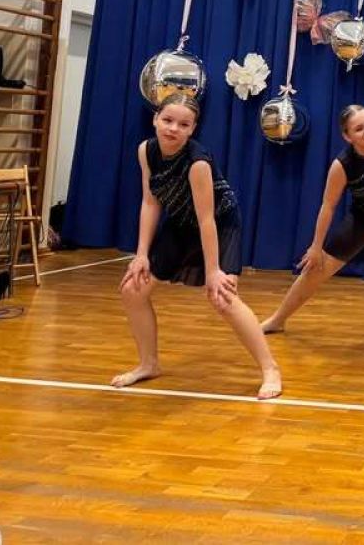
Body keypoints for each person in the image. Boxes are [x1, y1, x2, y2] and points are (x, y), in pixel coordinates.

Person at [113, 93, 282, 399]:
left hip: (219, 222)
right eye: (167, 120)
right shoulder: (146, 151)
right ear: (155, 119)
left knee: (223, 297)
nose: (173, 128)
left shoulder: (197, 162)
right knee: (132, 289)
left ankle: (270, 369)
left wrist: (214, 271)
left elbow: (207, 220)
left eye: (183, 124)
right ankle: (149, 364)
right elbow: (150, 202)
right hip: (181, 221)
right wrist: (141, 254)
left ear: (193, 129)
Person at [261, 104, 364, 354]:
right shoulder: (343, 164)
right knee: (316, 267)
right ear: (347, 136)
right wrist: (316, 247)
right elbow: (328, 207)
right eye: (359, 129)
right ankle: (278, 320)